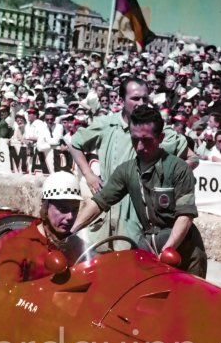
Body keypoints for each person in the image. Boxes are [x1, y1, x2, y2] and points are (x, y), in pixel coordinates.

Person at [71, 105, 207, 277]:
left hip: (181, 251)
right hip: (149, 245)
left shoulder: (178, 169)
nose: (140, 146)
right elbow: (100, 202)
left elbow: (185, 217)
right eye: (135, 140)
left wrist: (167, 250)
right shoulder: (126, 170)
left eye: (147, 140)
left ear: (160, 138)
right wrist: (70, 232)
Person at [68, 77, 190, 247]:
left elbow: (192, 157)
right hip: (106, 204)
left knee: (128, 259)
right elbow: (75, 143)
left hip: (135, 211)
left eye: (145, 99)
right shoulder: (106, 124)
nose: (141, 103)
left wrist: (169, 177)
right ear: (121, 100)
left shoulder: (160, 130)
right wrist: (89, 175)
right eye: (135, 98)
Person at [0, 171, 86, 282]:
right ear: (45, 207)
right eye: (63, 209)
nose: (70, 217)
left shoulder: (77, 244)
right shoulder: (17, 245)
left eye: (75, 210)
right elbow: (9, 292)